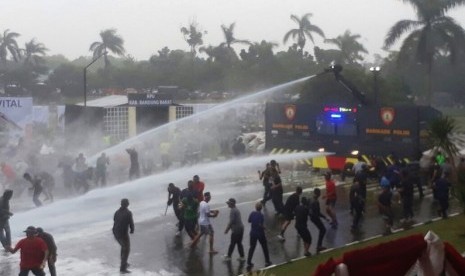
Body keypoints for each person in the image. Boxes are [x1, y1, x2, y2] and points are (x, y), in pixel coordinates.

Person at [246, 202, 272, 270]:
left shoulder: (252, 213)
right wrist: (266, 229)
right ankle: (267, 261)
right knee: (264, 247)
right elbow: (260, 224)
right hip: (260, 234)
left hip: (253, 233)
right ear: (261, 208)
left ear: (255, 207)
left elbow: (249, 221)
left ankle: (249, 261)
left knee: (252, 247)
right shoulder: (261, 215)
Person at [113, 198, 135, 274]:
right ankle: (123, 268)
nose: (128, 204)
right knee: (126, 249)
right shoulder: (128, 213)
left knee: (124, 247)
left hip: (116, 233)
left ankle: (124, 263)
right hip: (123, 234)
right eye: (127, 203)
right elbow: (131, 222)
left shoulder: (116, 212)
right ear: (126, 204)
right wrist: (132, 230)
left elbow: (115, 220)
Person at [309, 188, 329, 253]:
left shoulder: (311, 199)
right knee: (323, 230)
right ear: (319, 194)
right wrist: (325, 217)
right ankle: (319, 246)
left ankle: (319, 245)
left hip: (312, 217)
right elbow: (318, 213)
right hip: (315, 218)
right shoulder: (316, 202)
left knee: (322, 229)